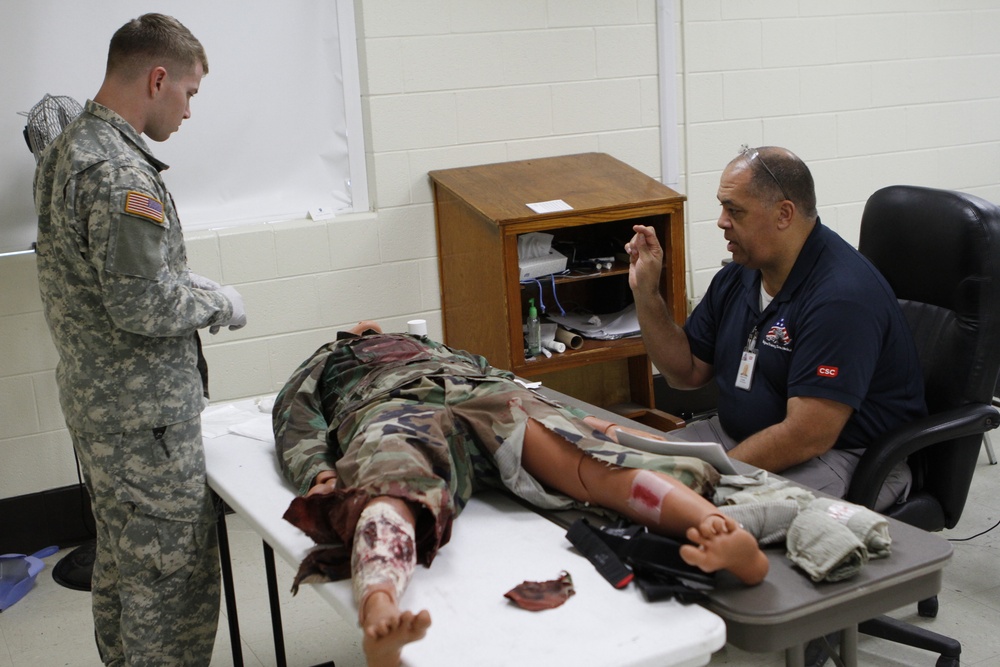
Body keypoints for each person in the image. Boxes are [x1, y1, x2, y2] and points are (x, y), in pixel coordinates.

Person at [274, 322, 768, 667]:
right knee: (391, 483)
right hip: (392, 405)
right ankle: (379, 606)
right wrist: (318, 475)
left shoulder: (437, 346)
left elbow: (507, 380)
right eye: (364, 328)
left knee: (588, 462)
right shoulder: (326, 361)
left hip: (479, 393)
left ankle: (722, 535)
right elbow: (296, 422)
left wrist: (576, 419)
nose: (371, 327)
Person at [34, 14, 246, 666]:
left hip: (107, 416)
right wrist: (219, 300)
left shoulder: (70, 144)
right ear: (157, 78)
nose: (187, 111)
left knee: (125, 572)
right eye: (188, 93)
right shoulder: (120, 173)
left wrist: (176, 277)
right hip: (143, 424)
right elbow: (143, 302)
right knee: (169, 590)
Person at [626, 145, 927, 512]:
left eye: (734, 210)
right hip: (739, 437)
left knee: (697, 515)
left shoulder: (841, 298)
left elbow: (808, 435)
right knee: (628, 476)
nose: (721, 221)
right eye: (722, 206)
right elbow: (685, 372)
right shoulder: (739, 276)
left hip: (843, 457)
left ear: (785, 213)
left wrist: (717, 478)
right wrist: (646, 293)